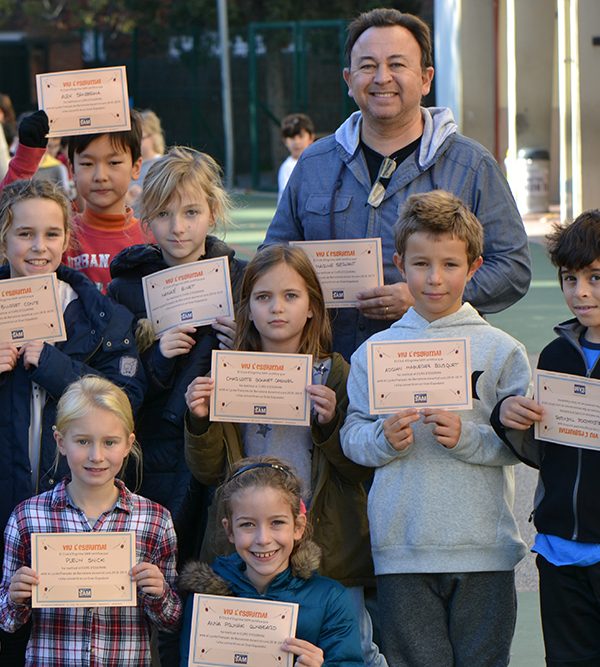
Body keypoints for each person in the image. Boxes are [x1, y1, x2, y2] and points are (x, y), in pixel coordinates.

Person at [263, 8, 531, 361]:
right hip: (328, 368)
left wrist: (425, 295)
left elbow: (512, 267)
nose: (382, 77)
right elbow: (273, 256)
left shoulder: (471, 165)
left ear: (425, 78)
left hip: (432, 368)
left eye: (397, 64)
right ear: (349, 79)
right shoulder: (314, 163)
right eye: (367, 66)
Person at [341, 190, 530, 666]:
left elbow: (522, 445)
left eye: (450, 264)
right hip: (402, 548)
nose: (435, 278)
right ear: (400, 264)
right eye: (421, 264)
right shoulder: (374, 352)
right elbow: (352, 435)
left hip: (483, 547)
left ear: (474, 266)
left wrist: (468, 438)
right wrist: (382, 441)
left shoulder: (502, 350)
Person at [184, 244, 384, 666]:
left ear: (312, 307)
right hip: (253, 547)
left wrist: (330, 424)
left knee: (352, 650)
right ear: (247, 308)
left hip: (328, 544)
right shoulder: (228, 372)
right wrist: (200, 421)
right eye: (263, 297)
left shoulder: (337, 372)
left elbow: (358, 468)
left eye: (291, 296)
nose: (277, 308)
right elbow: (209, 472)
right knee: (252, 652)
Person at [0, 179, 145, 664]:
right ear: (4, 238)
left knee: (65, 638)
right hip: (5, 503)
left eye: (51, 234)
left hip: (72, 513)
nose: (38, 247)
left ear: (67, 238)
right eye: (24, 234)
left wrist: (53, 365)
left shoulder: (104, 317)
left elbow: (126, 399)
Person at [0, 375, 181, 665]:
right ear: (60, 441)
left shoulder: (155, 520)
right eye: (83, 441)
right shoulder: (27, 517)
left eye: (110, 442)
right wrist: (15, 597)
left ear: (128, 444)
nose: (96, 456)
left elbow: (171, 621)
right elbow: (7, 622)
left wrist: (159, 593)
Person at [108, 145, 246, 525]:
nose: (178, 227)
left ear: (212, 213)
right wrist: (157, 357)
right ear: (147, 218)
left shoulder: (242, 280)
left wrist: (245, 345)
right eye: (164, 214)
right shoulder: (125, 289)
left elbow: (271, 371)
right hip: (154, 449)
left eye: (191, 213)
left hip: (224, 441)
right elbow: (114, 381)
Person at [491, 210, 600, 666]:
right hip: (559, 551)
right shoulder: (556, 355)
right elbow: (547, 451)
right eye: (570, 278)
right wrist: (509, 418)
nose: (581, 292)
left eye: (595, 278)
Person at [178, 456, 363, 667]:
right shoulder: (205, 599)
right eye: (247, 524)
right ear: (229, 530)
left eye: (277, 522)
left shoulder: (331, 599)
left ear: (298, 527)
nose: (263, 539)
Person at [63, 109, 148, 293]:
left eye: (114, 163)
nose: (100, 176)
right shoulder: (59, 238)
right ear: (72, 170)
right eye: (87, 164)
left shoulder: (153, 239)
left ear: (135, 167)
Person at [128, 109, 166, 216]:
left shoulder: (163, 165)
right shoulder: (128, 165)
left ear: (153, 137)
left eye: (140, 138)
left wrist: (142, 197)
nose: (135, 143)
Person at [277, 113, 314, 202]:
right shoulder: (287, 167)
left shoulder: (318, 163)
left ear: (311, 138)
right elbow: (290, 199)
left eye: (301, 136)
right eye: (292, 137)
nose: (297, 142)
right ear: (285, 141)